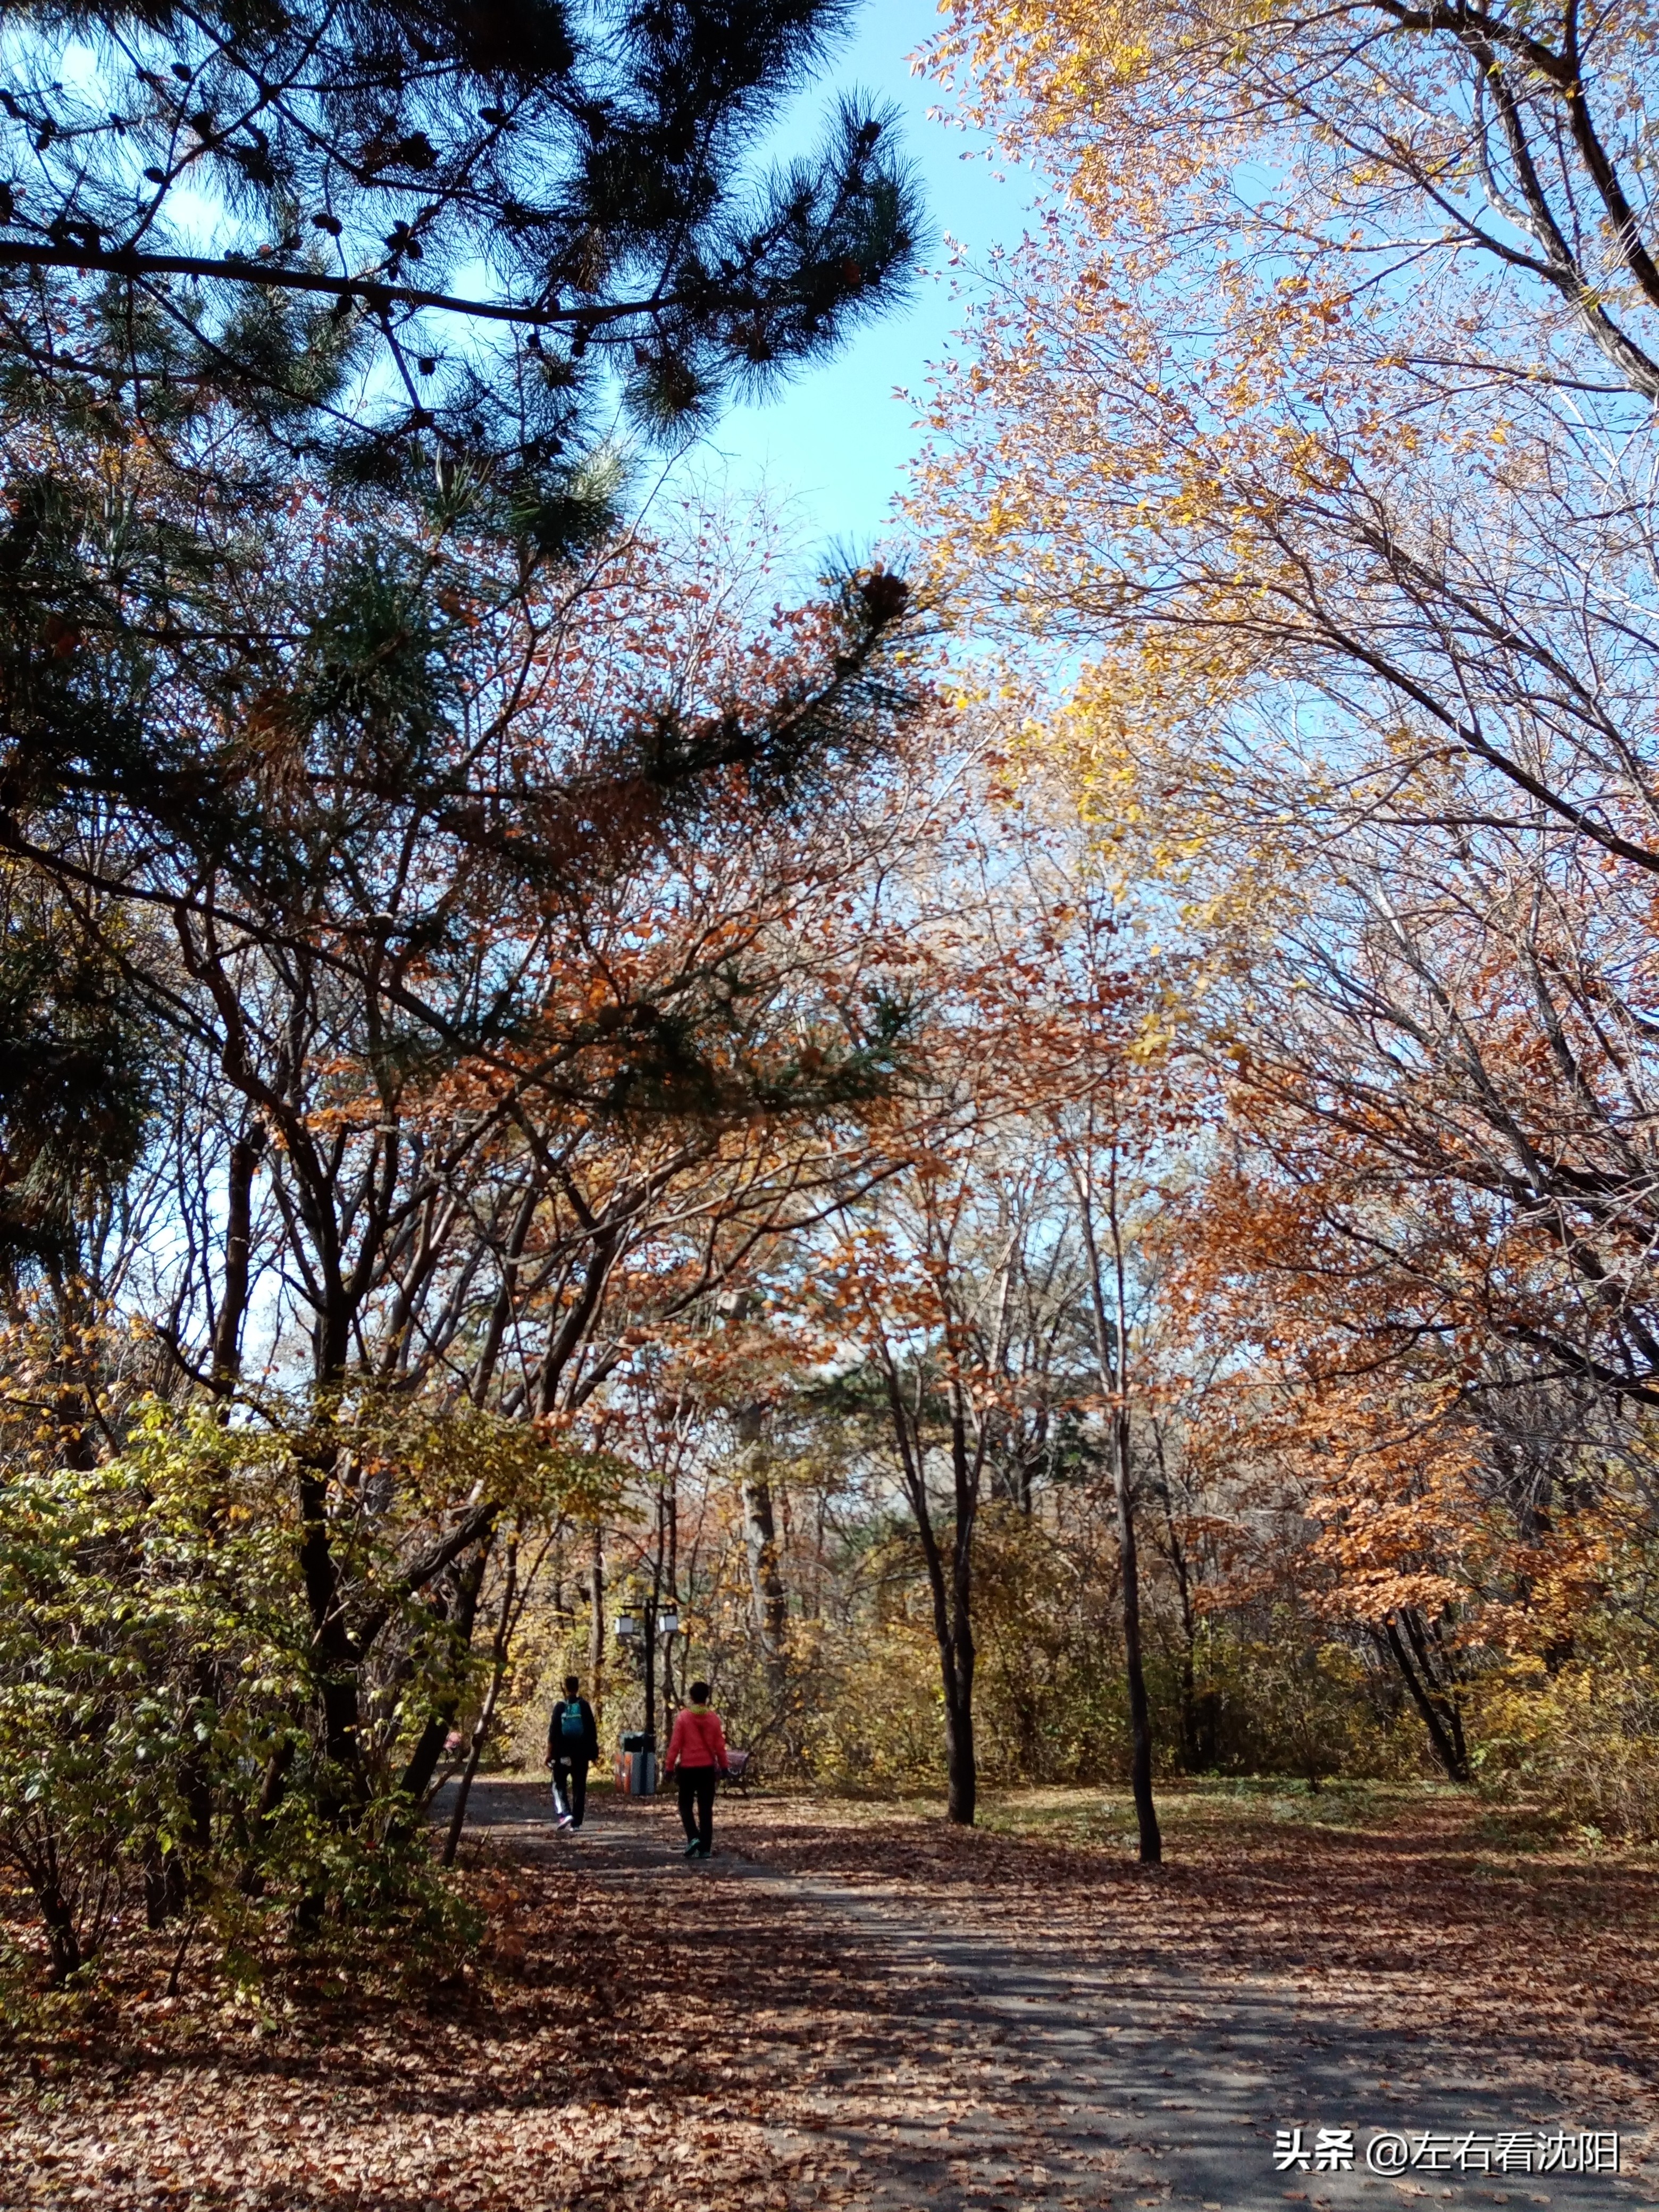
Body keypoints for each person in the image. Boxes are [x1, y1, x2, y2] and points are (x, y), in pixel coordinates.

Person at [663, 1679, 728, 1860]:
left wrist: (669, 1768)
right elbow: (720, 1746)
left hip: (688, 1769)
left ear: (691, 1697)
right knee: (706, 1809)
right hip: (707, 1769)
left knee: (685, 1805)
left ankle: (693, 1837)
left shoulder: (684, 1718)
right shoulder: (714, 1719)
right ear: (706, 1698)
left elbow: (675, 1745)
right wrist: (724, 1767)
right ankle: (705, 1848)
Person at [546, 1675, 599, 1831]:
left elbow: (553, 1732)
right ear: (578, 1687)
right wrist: (593, 1752)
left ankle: (566, 1812)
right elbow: (592, 1732)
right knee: (579, 1787)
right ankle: (576, 1823)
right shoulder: (584, 1706)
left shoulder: (560, 1707)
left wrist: (549, 1753)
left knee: (559, 1783)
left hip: (562, 1754)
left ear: (565, 1687)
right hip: (581, 1755)